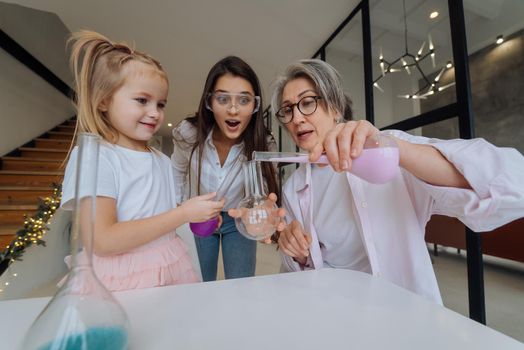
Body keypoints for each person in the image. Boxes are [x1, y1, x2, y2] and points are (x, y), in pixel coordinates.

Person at [269, 59, 524, 304]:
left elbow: (513, 184)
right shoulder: (294, 187)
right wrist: (298, 252)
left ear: (335, 108)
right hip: (338, 311)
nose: (297, 118)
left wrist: (394, 150)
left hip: (404, 312)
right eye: (288, 109)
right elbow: (305, 275)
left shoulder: (384, 149)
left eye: (308, 102)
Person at [61, 30, 224, 291]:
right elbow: (102, 240)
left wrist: (195, 217)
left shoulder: (161, 159)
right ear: (103, 101)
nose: (154, 113)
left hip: (171, 267)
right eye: (142, 100)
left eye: (160, 104)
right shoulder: (95, 157)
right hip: (123, 280)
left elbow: (159, 218)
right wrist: (182, 213)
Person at [172, 56, 278, 281]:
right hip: (198, 215)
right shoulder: (188, 133)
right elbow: (177, 173)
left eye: (243, 100)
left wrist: (261, 216)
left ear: (255, 105)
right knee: (199, 282)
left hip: (237, 218)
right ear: (209, 102)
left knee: (241, 284)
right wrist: (181, 211)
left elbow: (265, 188)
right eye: (223, 99)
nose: (233, 110)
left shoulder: (263, 144)